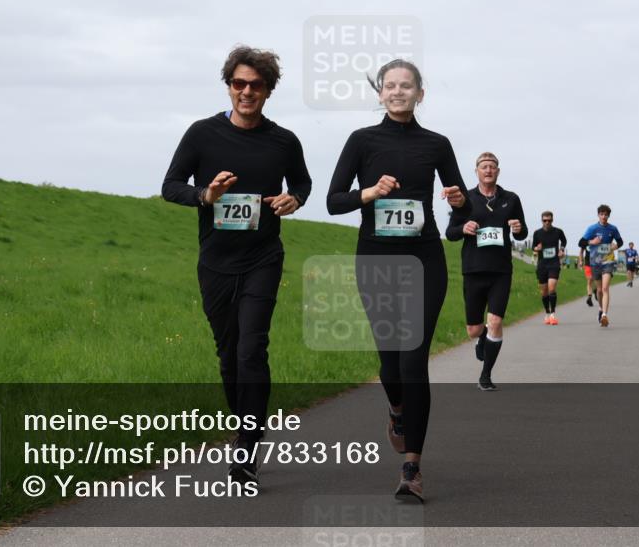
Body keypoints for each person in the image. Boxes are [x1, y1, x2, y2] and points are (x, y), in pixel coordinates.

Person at [162, 45, 312, 486]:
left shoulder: (284, 141)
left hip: (263, 257)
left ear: (268, 90)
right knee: (228, 356)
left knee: (251, 349)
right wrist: (205, 195)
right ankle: (246, 422)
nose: (246, 92)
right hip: (215, 261)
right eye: (238, 83)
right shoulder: (201, 134)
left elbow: (302, 182)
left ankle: (246, 447)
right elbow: (170, 185)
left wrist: (294, 199)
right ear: (229, 86)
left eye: (255, 85)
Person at [327, 59, 469, 503]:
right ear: (380, 93)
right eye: (390, 86)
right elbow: (334, 201)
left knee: (413, 361)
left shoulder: (437, 144)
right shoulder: (362, 141)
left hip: (424, 260)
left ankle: (412, 468)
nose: (398, 92)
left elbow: (462, 206)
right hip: (376, 261)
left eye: (406, 86)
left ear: (420, 94)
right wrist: (369, 193)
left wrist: (459, 201)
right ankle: (396, 410)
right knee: (390, 366)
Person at [446, 153, 528, 388]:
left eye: (492, 167)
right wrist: (463, 227)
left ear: (498, 172)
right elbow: (450, 233)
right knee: (473, 330)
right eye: (484, 167)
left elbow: (522, 233)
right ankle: (481, 337)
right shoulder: (466, 199)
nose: (488, 170)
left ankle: (485, 376)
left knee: (495, 321)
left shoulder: (511, 199)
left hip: (501, 271)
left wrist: (518, 229)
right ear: (477, 171)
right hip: (473, 269)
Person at [579, 204, 624, 326]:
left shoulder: (613, 229)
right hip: (595, 262)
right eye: (601, 214)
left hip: (608, 261)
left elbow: (620, 241)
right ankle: (600, 309)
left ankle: (604, 315)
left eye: (606, 215)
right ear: (598, 215)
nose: (604, 217)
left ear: (608, 216)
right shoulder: (592, 228)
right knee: (599, 290)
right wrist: (592, 241)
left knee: (605, 288)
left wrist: (614, 246)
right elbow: (581, 242)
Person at [530, 211, 566, 325]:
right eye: (545, 220)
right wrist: (537, 248)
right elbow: (533, 247)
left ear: (552, 220)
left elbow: (564, 241)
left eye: (549, 220)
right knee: (544, 292)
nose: (547, 222)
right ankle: (547, 312)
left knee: (551, 288)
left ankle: (553, 314)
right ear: (542, 220)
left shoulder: (558, 231)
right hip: (542, 264)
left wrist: (562, 250)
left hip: (554, 263)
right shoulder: (537, 233)